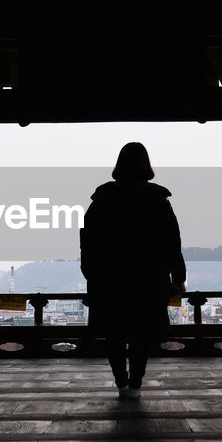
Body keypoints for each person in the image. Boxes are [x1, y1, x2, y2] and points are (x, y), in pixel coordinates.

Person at [80, 142, 186, 399]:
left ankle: (121, 383)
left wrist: (91, 274)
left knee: (114, 334)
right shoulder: (158, 199)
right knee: (141, 334)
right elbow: (173, 241)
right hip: (148, 278)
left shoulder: (102, 199)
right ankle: (136, 384)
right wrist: (178, 277)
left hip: (110, 279)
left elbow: (88, 242)